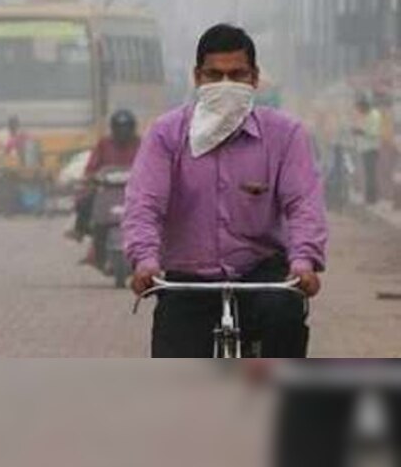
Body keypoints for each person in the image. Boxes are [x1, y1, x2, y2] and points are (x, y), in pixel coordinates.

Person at [123, 24, 327, 358]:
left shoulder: (286, 135)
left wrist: (304, 261)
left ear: (254, 78)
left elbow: (303, 204)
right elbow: (144, 204)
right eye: (214, 75)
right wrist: (144, 260)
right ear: (197, 77)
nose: (225, 85)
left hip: (262, 273)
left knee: (285, 319)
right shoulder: (166, 134)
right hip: (188, 277)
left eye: (237, 75)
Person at [71, 109, 142, 244]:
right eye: (120, 128)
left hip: (135, 189)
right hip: (107, 189)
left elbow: (152, 164)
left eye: (126, 127)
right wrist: (90, 177)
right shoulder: (104, 144)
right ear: (113, 128)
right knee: (84, 200)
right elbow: (92, 166)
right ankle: (80, 229)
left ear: (132, 128)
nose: (123, 132)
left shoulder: (141, 144)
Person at [351, 92, 383, 206]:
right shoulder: (367, 115)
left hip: (371, 148)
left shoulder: (374, 115)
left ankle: (372, 199)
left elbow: (374, 132)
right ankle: (369, 198)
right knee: (369, 174)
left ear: (365, 105)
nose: (359, 110)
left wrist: (360, 131)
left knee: (371, 174)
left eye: (360, 107)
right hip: (365, 148)